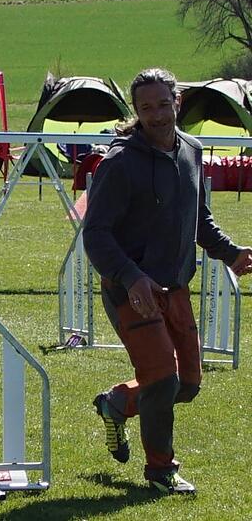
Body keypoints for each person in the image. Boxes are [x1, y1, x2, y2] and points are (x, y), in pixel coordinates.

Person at [83, 67, 252, 495]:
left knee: (188, 384)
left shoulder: (192, 151)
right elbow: (96, 235)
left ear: (176, 103)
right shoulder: (119, 163)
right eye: (145, 108)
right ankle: (161, 470)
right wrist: (132, 276)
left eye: (162, 104)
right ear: (135, 112)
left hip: (174, 286)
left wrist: (231, 253)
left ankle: (118, 402)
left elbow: (200, 220)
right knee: (161, 378)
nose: (156, 115)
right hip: (129, 290)